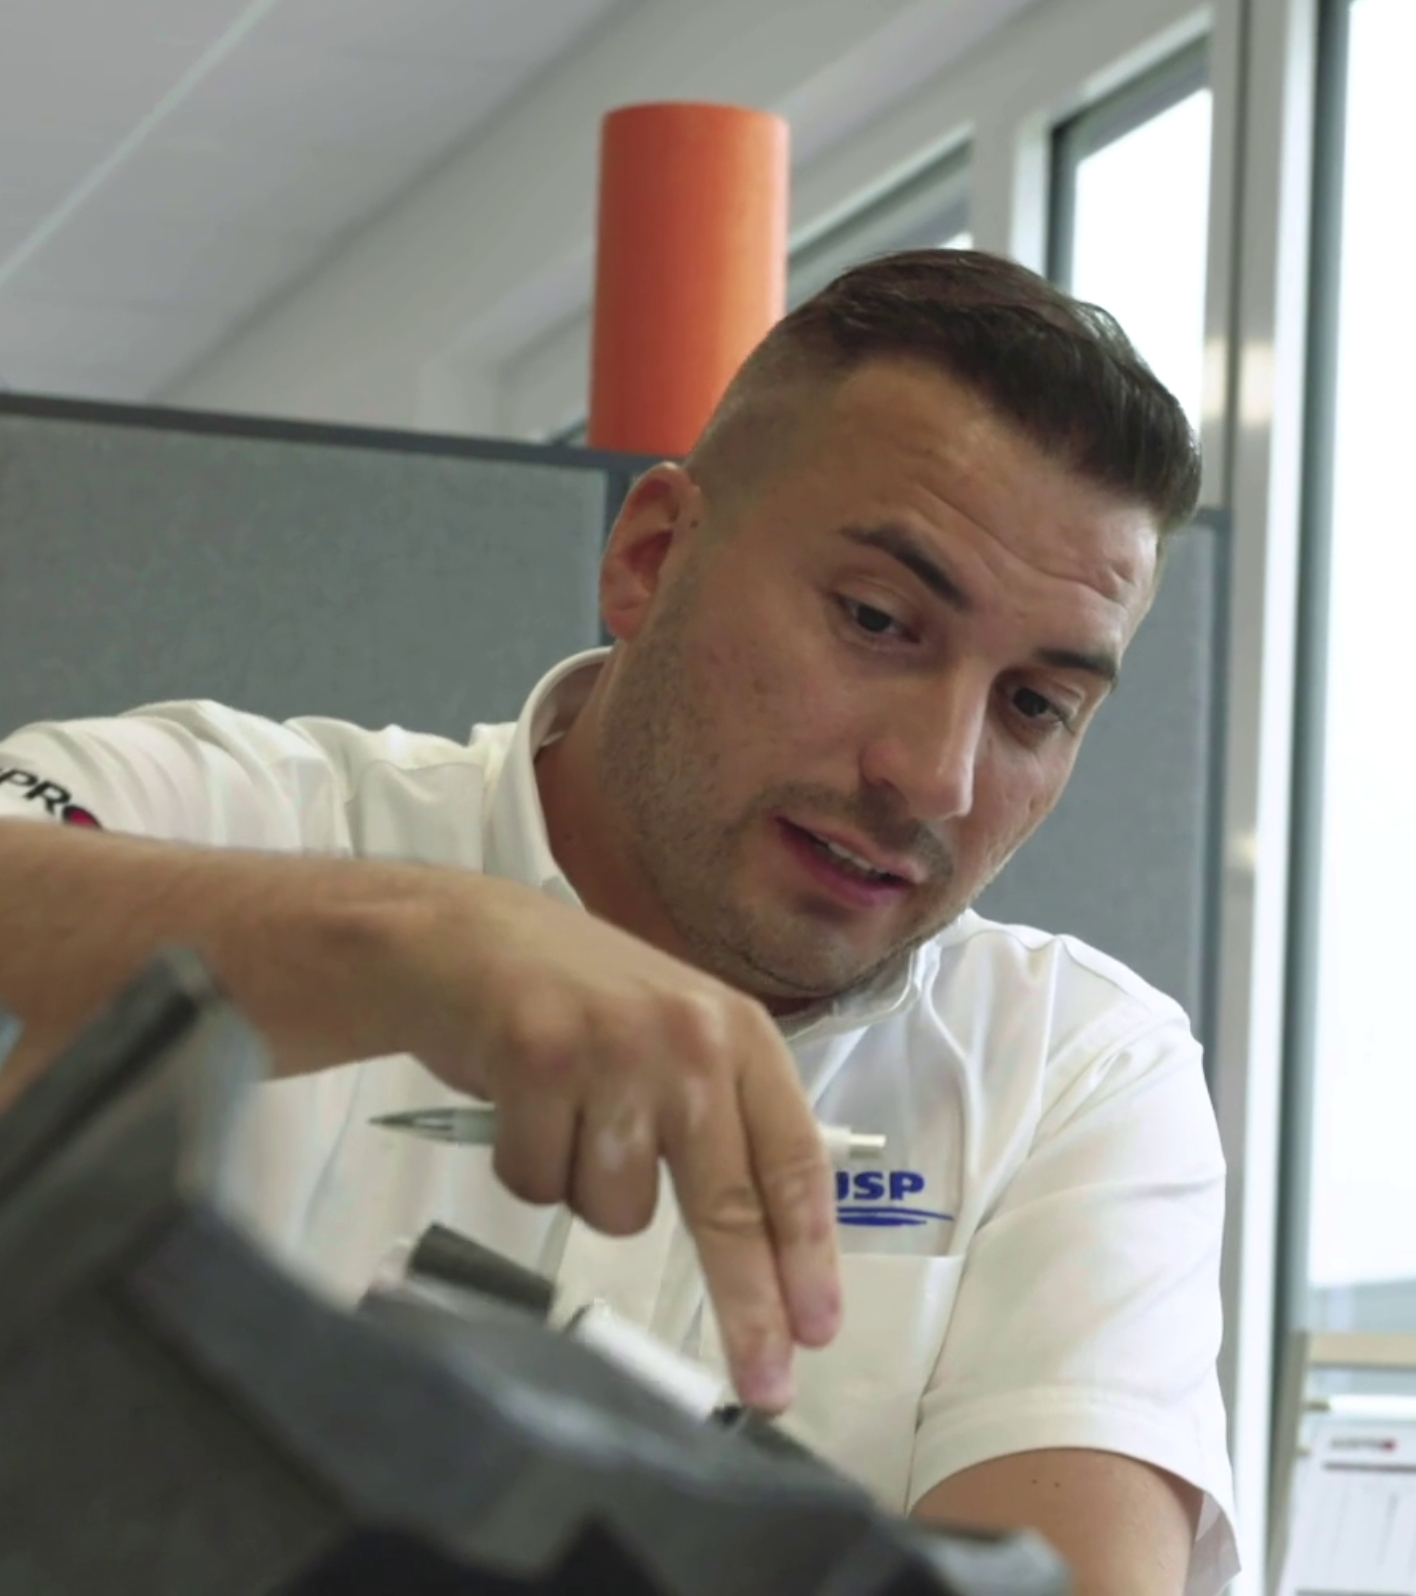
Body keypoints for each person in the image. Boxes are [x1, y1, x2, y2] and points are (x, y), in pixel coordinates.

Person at [0, 250, 1235, 1595]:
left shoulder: (1073, 1069)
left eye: (1035, 707)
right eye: (878, 620)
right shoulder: (242, 812)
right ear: (653, 558)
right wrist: (410, 948)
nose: (933, 778)